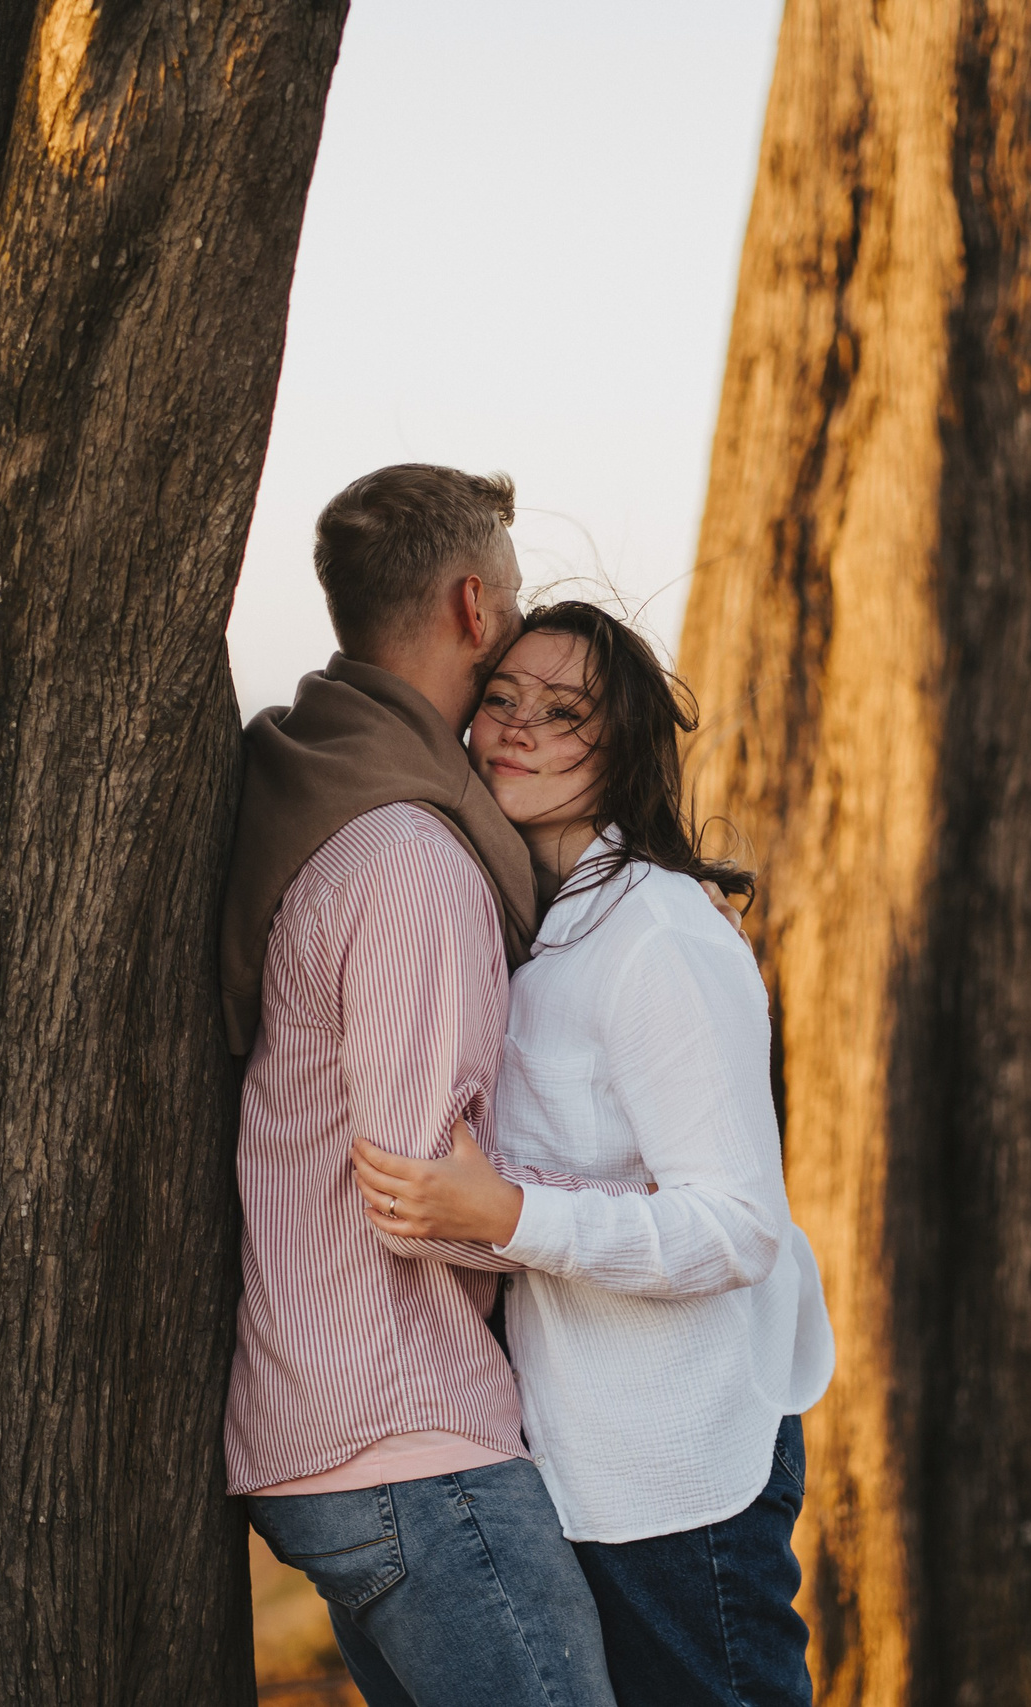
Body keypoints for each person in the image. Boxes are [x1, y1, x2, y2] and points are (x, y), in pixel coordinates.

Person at [350, 601, 836, 1707]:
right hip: (582, 1469)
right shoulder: (540, 929)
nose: (516, 726)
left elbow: (739, 1226)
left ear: (622, 749)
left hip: (680, 1474)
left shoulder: (657, 936)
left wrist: (505, 1216)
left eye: (562, 712)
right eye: (501, 700)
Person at [218, 465, 621, 1707]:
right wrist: (616, 1207)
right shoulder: (413, 862)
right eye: (507, 592)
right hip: (409, 1439)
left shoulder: (324, 797)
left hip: (355, 1439)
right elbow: (417, 1189)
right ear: (469, 607)